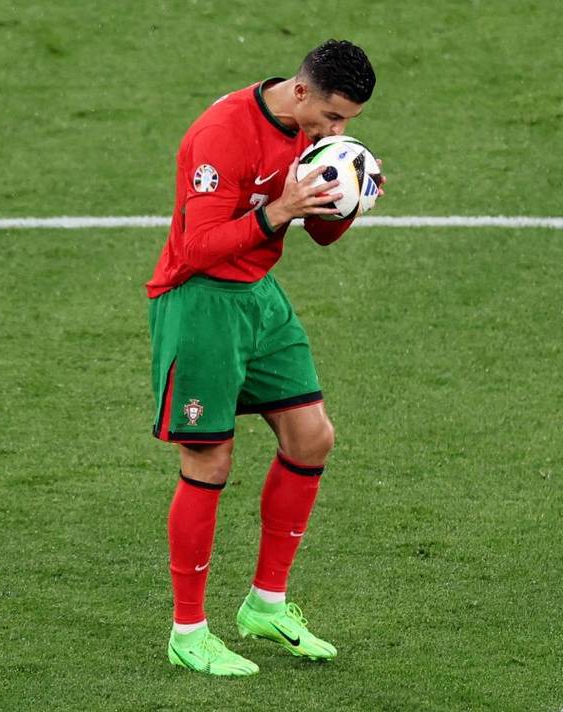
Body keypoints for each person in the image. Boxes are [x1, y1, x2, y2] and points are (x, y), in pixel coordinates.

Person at [145, 39, 382, 677]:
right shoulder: (222, 134)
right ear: (301, 91)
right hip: (200, 305)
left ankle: (265, 604)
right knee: (209, 458)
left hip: (258, 298)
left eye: (347, 124)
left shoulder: (313, 136)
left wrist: (350, 198)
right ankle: (188, 632)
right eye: (333, 118)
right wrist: (280, 210)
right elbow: (197, 248)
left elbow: (323, 233)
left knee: (311, 437)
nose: (336, 132)